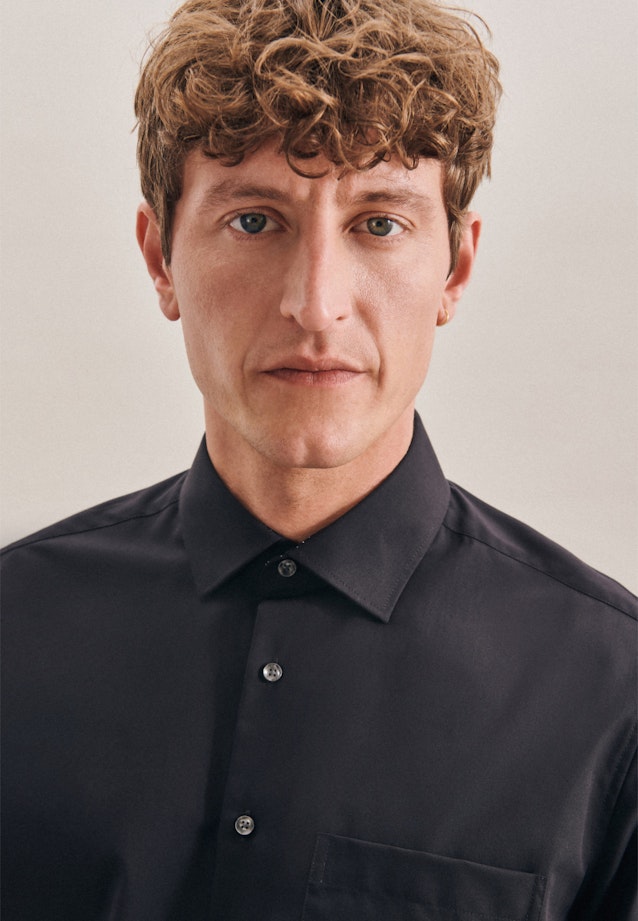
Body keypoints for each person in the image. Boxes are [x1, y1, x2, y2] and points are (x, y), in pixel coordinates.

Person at [2, 0, 635, 918]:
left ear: (455, 269)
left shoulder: (613, 693)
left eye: (379, 224)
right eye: (255, 220)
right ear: (160, 259)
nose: (315, 303)